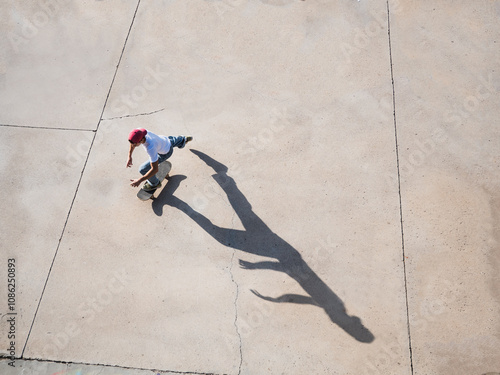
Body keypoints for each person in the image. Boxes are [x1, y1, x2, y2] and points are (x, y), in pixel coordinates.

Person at [127, 128, 192, 191]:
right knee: (173, 141)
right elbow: (132, 141)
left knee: (142, 169)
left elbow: (155, 169)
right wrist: (129, 156)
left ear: (141, 140)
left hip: (164, 153)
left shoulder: (150, 147)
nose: (133, 145)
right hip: (165, 140)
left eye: (135, 144)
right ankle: (183, 139)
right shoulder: (139, 131)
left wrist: (140, 180)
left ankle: (155, 184)